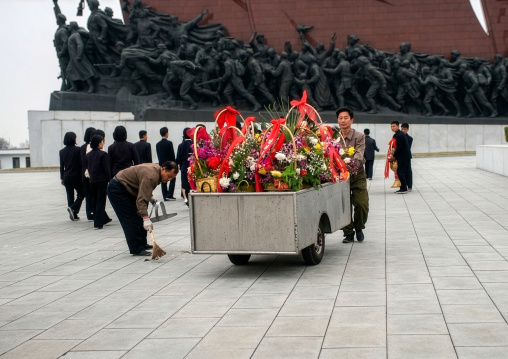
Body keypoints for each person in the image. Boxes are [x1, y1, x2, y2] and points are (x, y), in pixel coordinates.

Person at [107, 162, 179, 256]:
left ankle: (142, 243)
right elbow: (141, 200)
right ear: (163, 169)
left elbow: (143, 186)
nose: (169, 179)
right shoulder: (152, 176)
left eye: (172, 178)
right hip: (118, 189)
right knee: (130, 218)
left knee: (138, 216)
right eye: (169, 176)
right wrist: (146, 219)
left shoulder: (156, 171)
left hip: (127, 188)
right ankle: (136, 248)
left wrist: (150, 196)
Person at [336, 107, 369, 243]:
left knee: (361, 204)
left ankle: (359, 227)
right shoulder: (334, 136)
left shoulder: (359, 136)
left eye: (346, 118)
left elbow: (359, 154)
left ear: (352, 120)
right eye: (340, 118)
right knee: (344, 205)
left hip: (357, 175)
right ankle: (348, 232)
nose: (343, 121)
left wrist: (350, 163)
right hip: (340, 176)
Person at [84, 135, 112, 229]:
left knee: (95, 201)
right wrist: (110, 180)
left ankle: (99, 220)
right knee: (101, 201)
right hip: (102, 181)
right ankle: (98, 223)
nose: (103, 143)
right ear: (99, 143)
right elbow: (106, 169)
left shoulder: (88, 155)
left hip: (92, 181)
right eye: (102, 141)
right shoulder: (103, 154)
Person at [60, 132, 84, 221]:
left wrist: (62, 178)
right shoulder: (78, 149)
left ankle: (74, 214)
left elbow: (62, 166)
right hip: (77, 176)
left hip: (67, 176)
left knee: (70, 196)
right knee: (81, 194)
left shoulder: (62, 151)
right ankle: (73, 208)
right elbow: (81, 163)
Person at [389, 121, 411, 194]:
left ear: (398, 126)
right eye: (391, 126)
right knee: (401, 171)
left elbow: (400, 147)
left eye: (394, 126)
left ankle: (404, 188)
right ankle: (403, 187)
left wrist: (394, 156)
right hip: (403, 155)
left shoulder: (400, 135)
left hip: (403, 156)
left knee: (400, 171)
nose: (392, 128)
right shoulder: (398, 134)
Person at [156, 127, 176, 200]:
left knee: (163, 180)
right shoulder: (169, 143)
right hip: (170, 164)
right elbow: (172, 155)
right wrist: (174, 164)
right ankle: (170, 194)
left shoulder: (157, 144)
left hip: (162, 165)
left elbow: (158, 155)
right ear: (166, 133)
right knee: (172, 179)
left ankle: (164, 196)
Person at [80, 127, 95, 220]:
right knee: (93, 194)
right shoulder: (92, 147)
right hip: (91, 173)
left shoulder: (82, 147)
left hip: (83, 174)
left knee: (88, 195)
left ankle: (88, 213)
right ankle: (92, 212)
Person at [176, 128, 193, 206]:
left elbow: (178, 158)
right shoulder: (193, 144)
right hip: (192, 167)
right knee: (192, 184)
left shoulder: (180, 145)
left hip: (183, 167)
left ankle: (186, 198)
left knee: (184, 184)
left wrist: (180, 165)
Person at [401, 123, 413, 191]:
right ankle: (403, 184)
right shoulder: (398, 136)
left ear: (407, 129)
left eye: (404, 129)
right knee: (401, 171)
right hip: (400, 156)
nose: (403, 130)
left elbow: (407, 148)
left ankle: (409, 185)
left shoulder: (410, 138)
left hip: (407, 156)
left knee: (408, 171)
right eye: (402, 129)